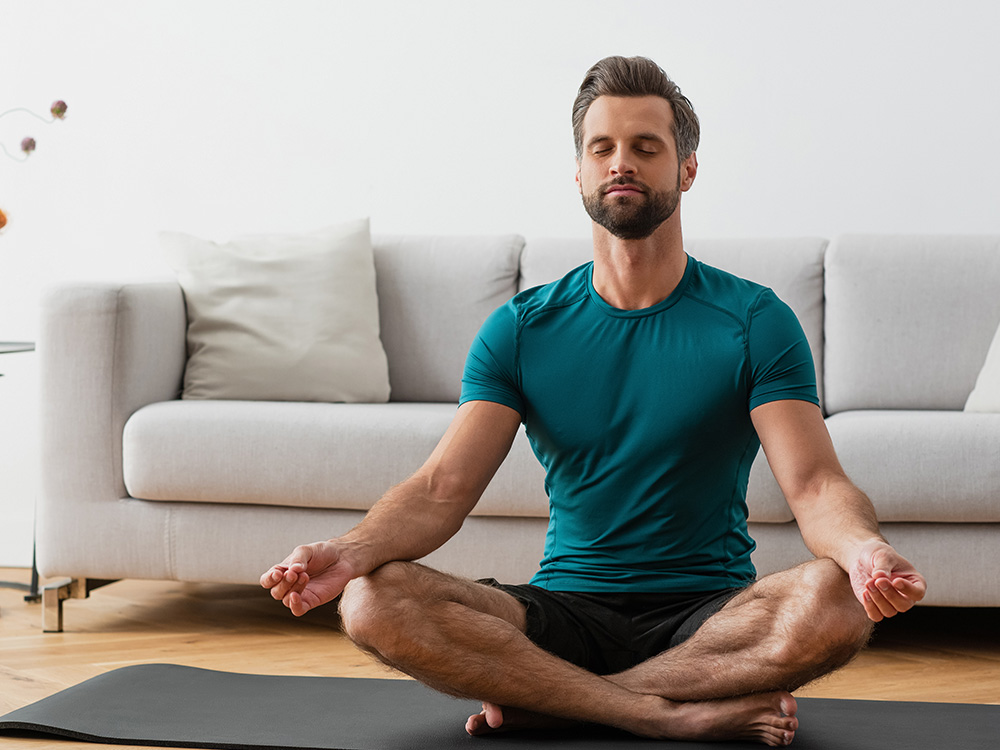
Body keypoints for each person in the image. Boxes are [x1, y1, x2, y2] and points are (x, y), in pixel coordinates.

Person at [261, 56, 927, 747]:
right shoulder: (522, 329)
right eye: (601, 148)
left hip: (711, 618)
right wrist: (345, 551)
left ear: (687, 170)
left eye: (647, 146)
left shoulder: (754, 319)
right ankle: (662, 712)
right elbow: (439, 490)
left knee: (839, 599)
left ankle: (559, 703)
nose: (622, 163)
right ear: (578, 173)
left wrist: (864, 550)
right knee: (373, 599)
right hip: (563, 613)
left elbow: (816, 486)